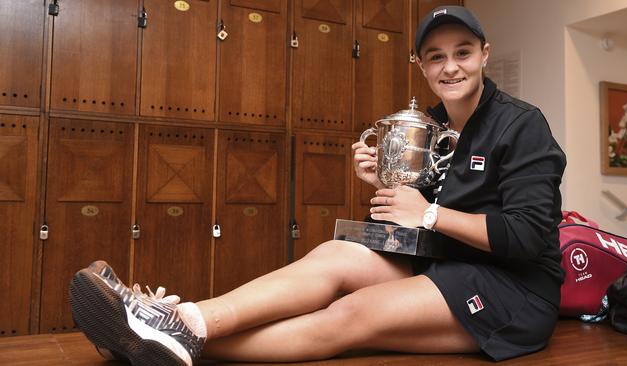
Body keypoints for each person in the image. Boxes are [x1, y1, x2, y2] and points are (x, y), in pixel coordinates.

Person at [68, 5, 566, 366]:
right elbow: (408, 233)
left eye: (462, 52)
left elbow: (528, 236)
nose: (450, 66)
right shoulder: (428, 127)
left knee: (351, 313)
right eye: (435, 57)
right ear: (420, 65)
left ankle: (164, 334)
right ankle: (184, 322)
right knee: (335, 254)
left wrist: (430, 214)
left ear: (484, 54)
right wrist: (383, 184)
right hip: (448, 264)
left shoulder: (521, 124)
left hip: (514, 291)